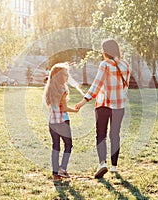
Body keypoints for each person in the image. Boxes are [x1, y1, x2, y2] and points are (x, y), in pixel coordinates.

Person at [75, 38, 130, 179]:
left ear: (105, 51)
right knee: (115, 135)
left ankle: (102, 163)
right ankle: (114, 166)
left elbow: (96, 85)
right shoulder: (125, 64)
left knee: (101, 134)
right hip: (119, 105)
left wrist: (83, 101)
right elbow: (125, 86)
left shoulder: (104, 64)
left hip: (104, 104)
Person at [43, 62, 79, 181]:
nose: (67, 77)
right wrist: (74, 110)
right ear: (59, 76)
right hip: (62, 122)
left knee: (56, 147)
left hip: (52, 122)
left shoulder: (48, 89)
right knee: (68, 145)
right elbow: (63, 108)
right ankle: (62, 169)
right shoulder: (63, 89)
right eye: (65, 74)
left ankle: (55, 173)